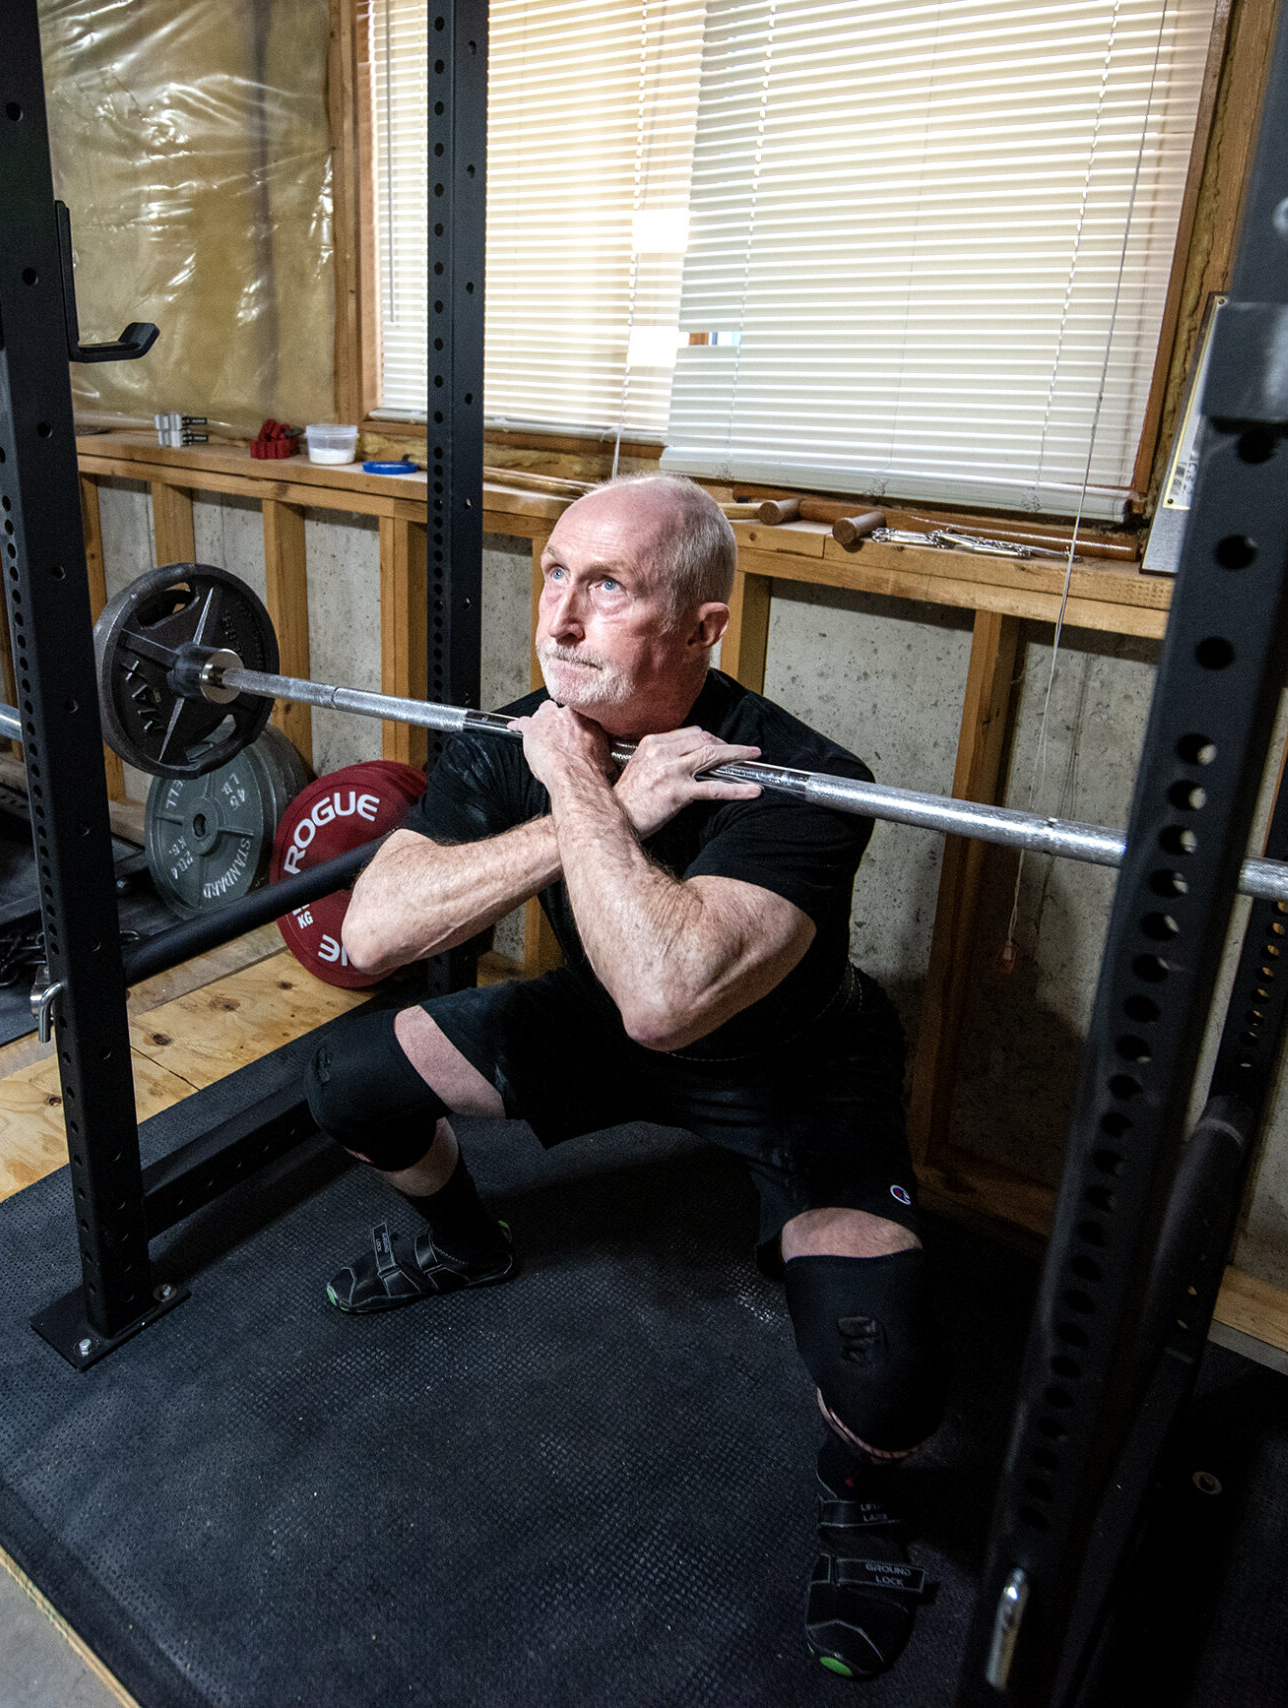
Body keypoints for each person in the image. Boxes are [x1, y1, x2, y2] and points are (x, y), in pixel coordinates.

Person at [304, 472, 948, 1682]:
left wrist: (588, 798)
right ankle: (462, 1241)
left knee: (887, 1363)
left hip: (789, 1064)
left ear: (703, 626)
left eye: (605, 586)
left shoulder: (806, 774)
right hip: (603, 1023)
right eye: (553, 572)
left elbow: (670, 996)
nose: (557, 618)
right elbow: (375, 932)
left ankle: (862, 1502)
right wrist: (584, 792)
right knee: (349, 1077)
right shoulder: (523, 738)